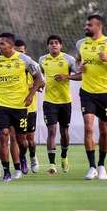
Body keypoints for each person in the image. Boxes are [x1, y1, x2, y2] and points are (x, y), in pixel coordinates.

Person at [0, 33, 43, 182]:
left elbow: (39, 79)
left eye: (2, 44)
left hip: (20, 107)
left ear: (11, 45)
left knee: (22, 140)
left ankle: (22, 157)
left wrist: (30, 95)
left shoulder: (25, 60)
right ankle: (7, 171)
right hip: (1, 106)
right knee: (4, 136)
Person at [76, 14, 107, 180]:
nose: (86, 27)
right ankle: (91, 167)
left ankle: (102, 165)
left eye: (89, 25)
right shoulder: (81, 44)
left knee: (104, 130)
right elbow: (77, 62)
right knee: (88, 127)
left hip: (104, 93)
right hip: (86, 92)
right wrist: (79, 67)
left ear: (98, 26)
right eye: (86, 25)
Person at [39, 35, 78, 174]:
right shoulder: (42, 60)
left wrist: (67, 76)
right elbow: (39, 76)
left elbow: (81, 75)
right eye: (51, 43)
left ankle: (64, 156)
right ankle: (52, 163)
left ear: (61, 46)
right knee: (51, 131)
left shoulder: (69, 59)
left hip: (65, 102)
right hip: (49, 101)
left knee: (64, 132)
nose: (54, 45)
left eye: (56, 43)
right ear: (47, 46)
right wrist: (39, 84)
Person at [14, 39, 40, 173]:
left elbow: (42, 82)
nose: (20, 54)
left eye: (22, 52)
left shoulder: (32, 65)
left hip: (30, 108)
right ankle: (22, 159)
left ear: (26, 51)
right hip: (15, 107)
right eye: (17, 52)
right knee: (19, 138)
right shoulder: (11, 64)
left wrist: (29, 87)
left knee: (30, 139)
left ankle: (33, 157)